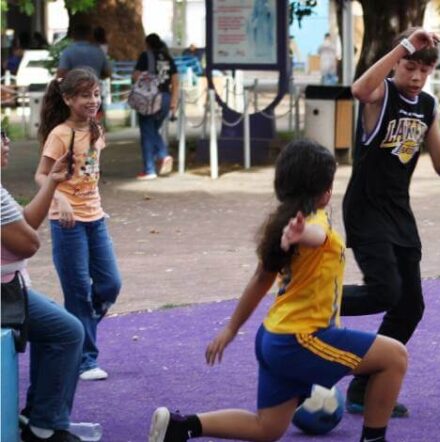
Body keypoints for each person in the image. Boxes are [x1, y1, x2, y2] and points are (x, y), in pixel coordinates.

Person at [148, 139, 408, 442]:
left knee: (267, 428)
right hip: (302, 339)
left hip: (273, 337)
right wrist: (302, 233)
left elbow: (260, 281)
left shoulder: (284, 223)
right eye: (330, 182)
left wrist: (231, 329)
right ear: (322, 190)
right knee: (394, 357)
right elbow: (317, 235)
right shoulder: (312, 223)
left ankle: (181, 426)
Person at [339, 27, 440, 417]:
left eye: (423, 72)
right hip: (366, 210)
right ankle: (313, 297)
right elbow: (359, 90)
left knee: (410, 306)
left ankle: (363, 388)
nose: (415, 77)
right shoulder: (382, 94)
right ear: (398, 63)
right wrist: (404, 46)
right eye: (409, 67)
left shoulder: (426, 106)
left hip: (399, 213)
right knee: (385, 292)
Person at [34, 68, 122, 382]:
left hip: (95, 218)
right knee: (78, 293)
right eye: (85, 95)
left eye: (96, 94)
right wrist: (59, 200)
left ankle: (73, 329)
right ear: (69, 99)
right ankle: (85, 360)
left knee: (110, 284)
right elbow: (41, 175)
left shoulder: (96, 130)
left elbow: (89, 175)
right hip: (67, 223)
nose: (92, 100)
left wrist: (94, 205)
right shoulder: (60, 134)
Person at [1, 130, 86, 442]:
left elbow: (23, 223)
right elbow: (28, 243)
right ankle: (44, 427)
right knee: (67, 332)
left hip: (10, 286)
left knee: (59, 326)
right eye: (0, 136)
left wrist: (52, 181)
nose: (7, 142)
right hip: (3, 293)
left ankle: (37, 416)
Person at [132, 33, 178, 180]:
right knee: (152, 130)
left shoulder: (146, 56)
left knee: (147, 132)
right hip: (165, 97)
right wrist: (173, 103)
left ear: (147, 44)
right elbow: (176, 82)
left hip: (150, 98)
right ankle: (160, 157)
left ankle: (151, 167)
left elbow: (136, 75)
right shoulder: (169, 58)